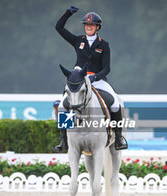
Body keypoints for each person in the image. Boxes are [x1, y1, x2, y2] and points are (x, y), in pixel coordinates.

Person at [53, 6, 128, 152]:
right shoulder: (77, 40)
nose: (89, 27)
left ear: (97, 27)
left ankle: (118, 137)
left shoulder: (104, 45)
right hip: (78, 80)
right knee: (63, 105)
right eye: (87, 25)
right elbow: (59, 27)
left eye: (91, 25)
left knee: (114, 103)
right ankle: (64, 140)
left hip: (97, 79)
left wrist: (96, 76)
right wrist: (68, 13)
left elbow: (107, 68)